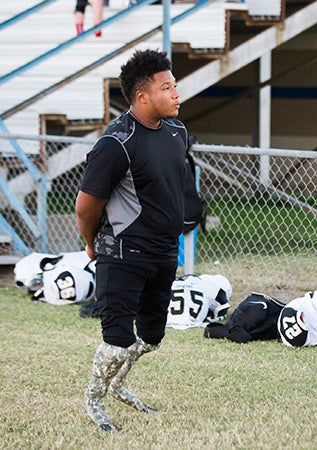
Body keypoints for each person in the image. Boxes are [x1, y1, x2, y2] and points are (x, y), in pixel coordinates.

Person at [76, 49, 187, 431]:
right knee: (117, 339)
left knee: (153, 337)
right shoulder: (115, 143)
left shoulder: (177, 132)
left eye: (175, 85)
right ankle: (94, 399)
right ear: (142, 96)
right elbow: (86, 208)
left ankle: (119, 384)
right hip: (121, 253)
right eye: (167, 87)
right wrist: (92, 245)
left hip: (163, 252)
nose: (176, 93)